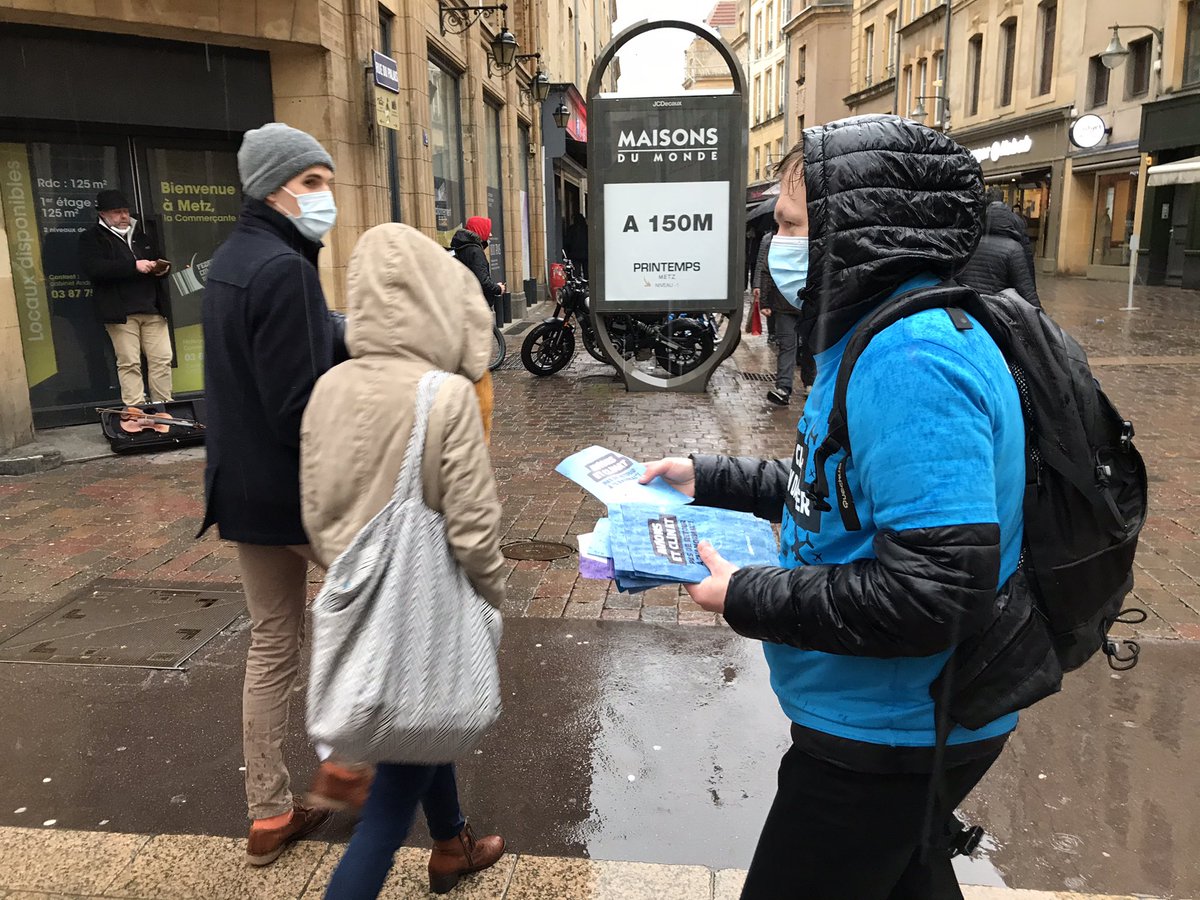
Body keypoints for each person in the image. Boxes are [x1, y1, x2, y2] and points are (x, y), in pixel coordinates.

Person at [640, 115, 1026, 900]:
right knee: (907, 875)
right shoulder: (869, 335)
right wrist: (706, 475)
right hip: (890, 718)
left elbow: (937, 591)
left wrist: (741, 594)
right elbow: (834, 486)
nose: (775, 248)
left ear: (858, 234)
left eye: (788, 227)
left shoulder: (913, 359)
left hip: (888, 733)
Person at [301, 222, 506, 898]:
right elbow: (473, 526)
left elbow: (317, 508)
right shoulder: (443, 394)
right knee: (389, 804)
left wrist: (358, 573)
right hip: (426, 615)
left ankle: (453, 845)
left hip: (356, 600)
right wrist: (490, 596)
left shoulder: (327, 387)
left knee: (416, 731)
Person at [199, 122, 369, 866]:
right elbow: (302, 408)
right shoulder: (286, 269)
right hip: (296, 494)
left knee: (273, 644)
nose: (325, 196)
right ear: (274, 187)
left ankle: (266, 814)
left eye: (327, 181)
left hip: (238, 490)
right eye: (312, 183)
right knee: (368, 606)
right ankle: (345, 760)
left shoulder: (229, 262)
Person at [78, 189, 174, 406]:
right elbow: (94, 269)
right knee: (129, 363)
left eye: (125, 211)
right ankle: (136, 411)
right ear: (103, 214)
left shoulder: (141, 235)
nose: (123, 216)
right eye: (116, 212)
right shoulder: (91, 238)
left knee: (162, 360)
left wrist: (161, 269)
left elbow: (161, 259)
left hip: (152, 308)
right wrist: (133, 266)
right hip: (121, 311)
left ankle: (165, 407)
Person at [753, 229, 813, 405]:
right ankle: (784, 387)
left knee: (810, 345)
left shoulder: (815, 236)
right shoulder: (775, 240)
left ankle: (810, 382)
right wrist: (764, 302)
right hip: (784, 304)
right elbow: (766, 269)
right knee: (787, 345)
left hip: (808, 304)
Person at [959, 201, 1041, 307]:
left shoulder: (970, 244)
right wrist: (1041, 317)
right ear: (1009, 220)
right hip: (997, 311)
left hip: (970, 307)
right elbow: (1027, 292)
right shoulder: (1013, 248)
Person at [450, 216, 504, 304]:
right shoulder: (475, 251)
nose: (490, 234)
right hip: (476, 304)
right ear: (480, 230)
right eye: (487, 230)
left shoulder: (461, 247)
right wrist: (498, 288)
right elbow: (483, 281)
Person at [562, 212, 589, 277]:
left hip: (574, 254)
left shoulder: (571, 229)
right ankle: (586, 282)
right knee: (586, 270)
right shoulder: (587, 229)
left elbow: (567, 241)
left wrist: (567, 253)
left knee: (576, 271)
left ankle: (577, 283)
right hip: (586, 253)